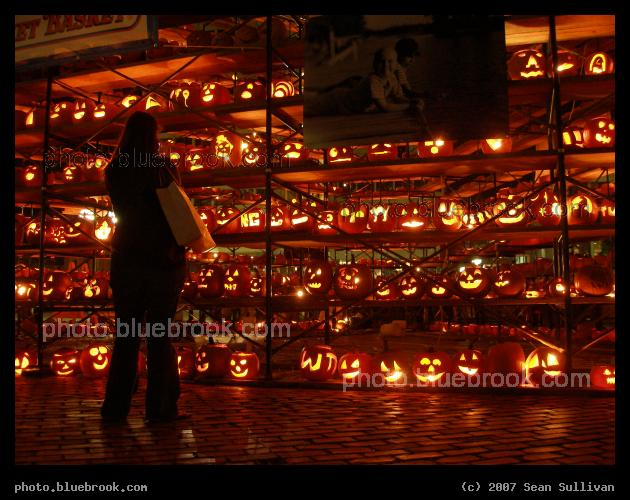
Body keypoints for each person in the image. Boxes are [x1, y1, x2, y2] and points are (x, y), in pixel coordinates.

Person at [101, 111, 187, 424]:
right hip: (160, 260)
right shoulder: (160, 168)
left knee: (126, 335)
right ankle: (160, 407)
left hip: (125, 258)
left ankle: (115, 407)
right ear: (154, 137)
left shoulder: (115, 170)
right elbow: (177, 212)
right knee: (159, 334)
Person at [305, 47, 422, 116]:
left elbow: (398, 96)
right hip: (339, 102)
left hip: (347, 101)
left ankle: (309, 94)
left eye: (390, 61)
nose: (386, 65)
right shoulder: (374, 80)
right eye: (382, 61)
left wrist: (413, 101)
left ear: (396, 64)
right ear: (375, 64)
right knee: (308, 110)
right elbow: (384, 107)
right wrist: (409, 107)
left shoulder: (392, 78)